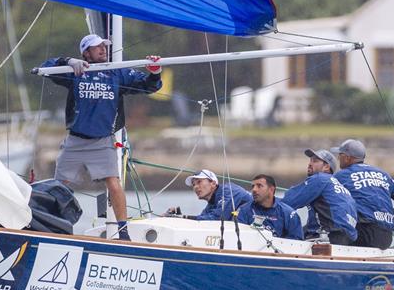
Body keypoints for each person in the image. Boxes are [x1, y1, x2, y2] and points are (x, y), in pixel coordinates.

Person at [41, 34, 163, 240]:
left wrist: (155, 72)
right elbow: (45, 68)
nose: (102, 50)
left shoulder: (116, 73)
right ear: (85, 53)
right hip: (75, 141)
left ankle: (123, 230)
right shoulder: (75, 72)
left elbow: (149, 86)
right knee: (59, 186)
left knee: (114, 184)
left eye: (104, 47)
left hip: (103, 141)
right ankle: (49, 223)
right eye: (97, 48)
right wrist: (68, 62)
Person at [331, 139, 394, 249]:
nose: (338, 158)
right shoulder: (383, 174)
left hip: (361, 234)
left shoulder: (341, 176)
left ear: (347, 158)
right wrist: (390, 221)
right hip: (385, 238)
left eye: (340, 155)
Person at [281, 149, 358, 245]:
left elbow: (287, 202)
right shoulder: (342, 188)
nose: (309, 164)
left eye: (315, 161)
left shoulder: (320, 178)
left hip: (329, 236)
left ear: (326, 167)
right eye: (310, 160)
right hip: (348, 239)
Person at [167, 169, 251, 221]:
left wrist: (185, 217)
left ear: (213, 183)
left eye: (199, 182)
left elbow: (218, 218)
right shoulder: (212, 204)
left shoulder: (229, 190)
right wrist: (179, 218)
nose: (195, 187)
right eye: (193, 184)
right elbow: (201, 220)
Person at [236, 174, 303, 240]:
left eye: (259, 186)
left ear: (271, 189)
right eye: (253, 186)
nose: (254, 190)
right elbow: (238, 236)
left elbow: (297, 241)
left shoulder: (289, 213)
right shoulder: (243, 210)